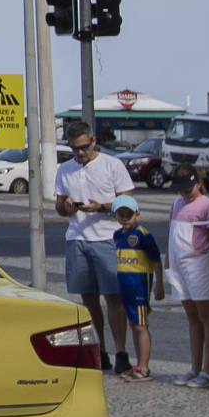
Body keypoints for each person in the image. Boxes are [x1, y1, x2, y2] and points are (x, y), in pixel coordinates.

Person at [54, 118, 136, 372]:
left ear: (93, 142)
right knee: (88, 300)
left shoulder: (112, 165)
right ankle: (99, 350)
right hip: (77, 239)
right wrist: (66, 207)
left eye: (84, 147)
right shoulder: (65, 169)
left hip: (107, 238)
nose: (80, 153)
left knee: (114, 299)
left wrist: (100, 207)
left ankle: (121, 351)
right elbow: (58, 206)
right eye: (75, 149)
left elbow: (129, 204)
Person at [167, 166, 209, 387]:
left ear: (198, 183)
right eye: (181, 190)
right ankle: (195, 367)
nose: (185, 194)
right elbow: (171, 236)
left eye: (188, 189)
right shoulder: (176, 205)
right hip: (178, 266)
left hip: (198, 264)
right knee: (192, 316)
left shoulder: (208, 206)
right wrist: (167, 266)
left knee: (206, 316)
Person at [109, 195, 163, 382]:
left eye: (129, 214)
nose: (125, 218)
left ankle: (145, 367)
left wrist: (159, 284)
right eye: (121, 214)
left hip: (139, 287)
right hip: (125, 288)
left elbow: (156, 260)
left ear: (137, 214)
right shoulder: (117, 235)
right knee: (134, 325)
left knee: (141, 326)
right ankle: (139, 364)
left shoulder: (143, 235)